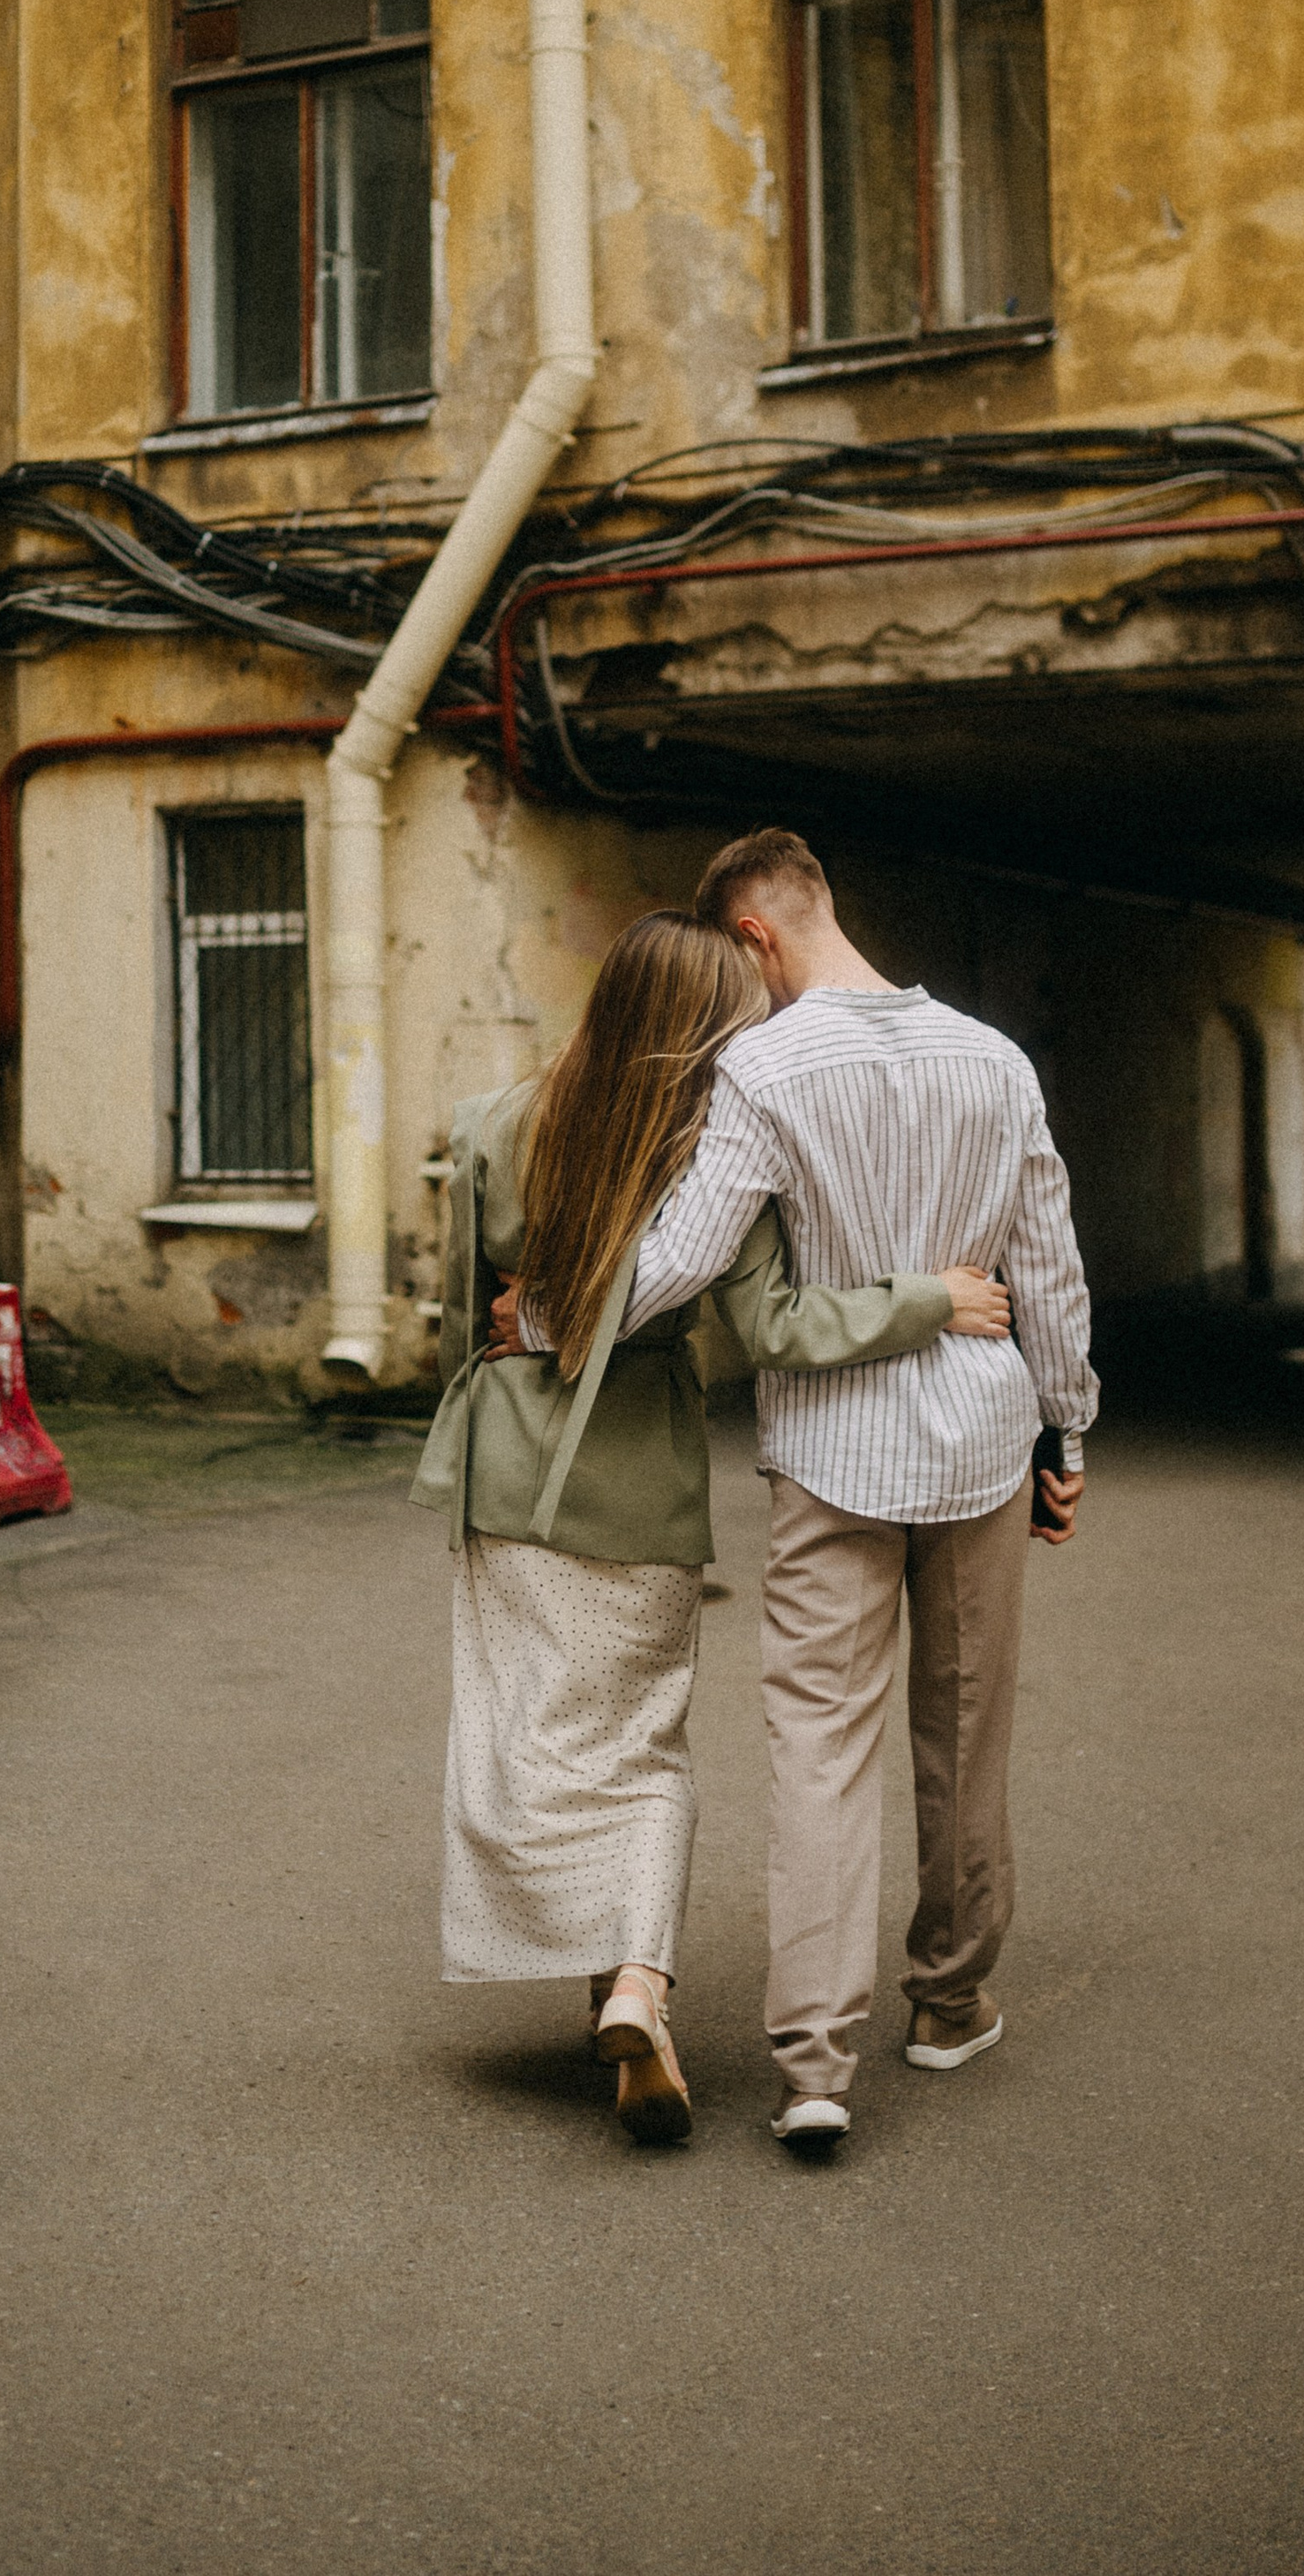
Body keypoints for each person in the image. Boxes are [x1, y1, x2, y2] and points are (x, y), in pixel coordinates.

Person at [410, 908, 1014, 2148]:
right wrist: (931, 1302)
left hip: (504, 1472)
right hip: (636, 1487)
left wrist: (529, 1330)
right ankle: (636, 1984)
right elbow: (784, 1329)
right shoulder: (712, 1158)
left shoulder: (489, 1125)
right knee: (643, 1750)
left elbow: (467, 1310)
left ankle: (609, 1986)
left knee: (530, 1737)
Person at [573, 829, 1097, 2152]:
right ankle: (949, 2002)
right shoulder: (995, 1058)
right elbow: (1051, 1265)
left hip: (828, 1461)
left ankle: (814, 2067)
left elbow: (684, 1259)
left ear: (751, 935)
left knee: (819, 1745)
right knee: (965, 1728)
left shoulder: (763, 1067)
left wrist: (556, 1314)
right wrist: (1068, 1431)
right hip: (981, 1445)